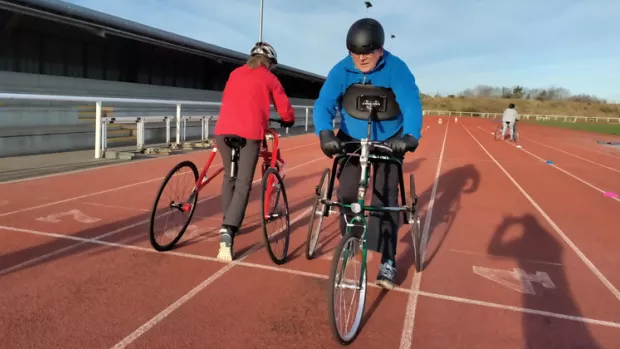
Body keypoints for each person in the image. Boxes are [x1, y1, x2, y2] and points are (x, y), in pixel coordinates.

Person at [312, 18, 423, 289]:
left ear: (380, 50)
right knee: (348, 192)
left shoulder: (397, 69)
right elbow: (324, 102)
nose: (361, 59)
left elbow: (410, 102)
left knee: (385, 197)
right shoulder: (341, 70)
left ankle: (387, 259)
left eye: (367, 53)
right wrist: (325, 132)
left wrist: (410, 135)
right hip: (351, 135)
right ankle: (352, 238)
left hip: (390, 138)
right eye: (355, 53)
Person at [213, 42, 295, 262]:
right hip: (249, 133)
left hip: (223, 132)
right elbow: (284, 107)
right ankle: (229, 230)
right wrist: (288, 119)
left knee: (230, 176)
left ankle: (227, 220)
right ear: (269, 63)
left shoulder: (234, 73)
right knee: (244, 182)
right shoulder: (269, 78)